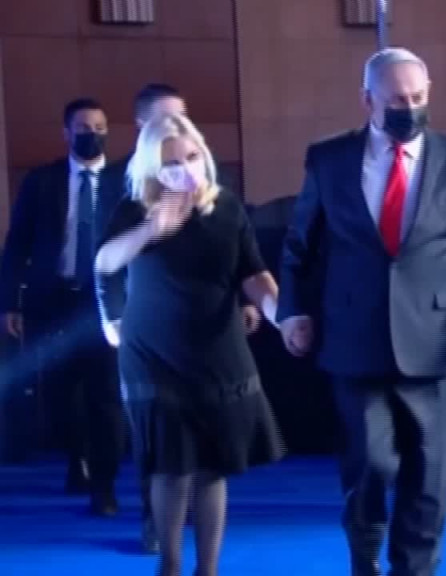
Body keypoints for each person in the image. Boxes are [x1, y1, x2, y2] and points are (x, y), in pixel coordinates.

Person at [277, 47, 446, 576]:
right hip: (354, 338)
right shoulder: (329, 160)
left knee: (429, 474)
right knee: (371, 463)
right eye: (397, 100)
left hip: (431, 338)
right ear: (368, 101)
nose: (410, 107)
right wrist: (292, 311)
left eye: (418, 97)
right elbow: (299, 245)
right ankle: (365, 558)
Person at [95, 113, 285, 576]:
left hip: (216, 347)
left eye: (192, 157)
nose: (185, 168)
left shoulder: (227, 208)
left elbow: (253, 271)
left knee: (211, 466)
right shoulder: (134, 208)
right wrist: (151, 229)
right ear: (152, 168)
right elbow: (105, 261)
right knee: (171, 464)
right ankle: (171, 565)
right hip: (152, 352)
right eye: (171, 163)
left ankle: (208, 569)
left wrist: (281, 312)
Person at [0, 98, 124, 515]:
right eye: (84, 128)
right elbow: (17, 244)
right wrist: (10, 303)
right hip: (53, 301)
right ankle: (78, 457)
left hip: (106, 304)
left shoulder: (123, 182)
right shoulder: (42, 181)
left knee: (106, 395)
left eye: (100, 127)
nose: (93, 135)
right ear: (66, 133)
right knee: (59, 394)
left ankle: (104, 485)